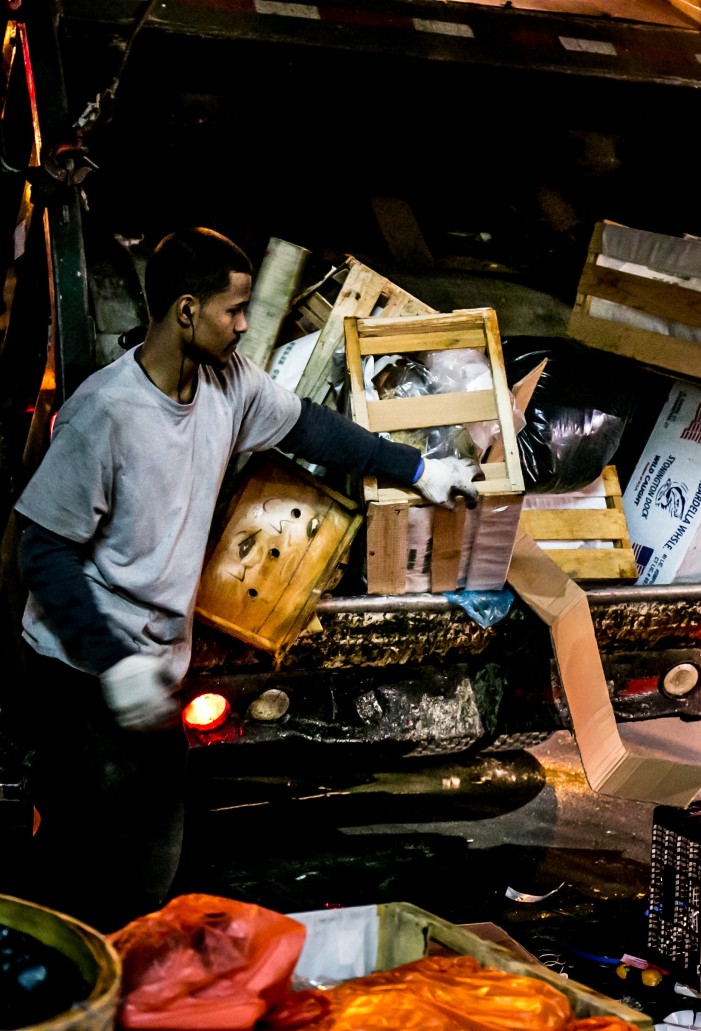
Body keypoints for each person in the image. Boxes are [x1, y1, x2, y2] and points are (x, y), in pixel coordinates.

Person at [13, 226, 480, 932]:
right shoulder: (107, 413)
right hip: (79, 670)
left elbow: (311, 428)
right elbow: (42, 549)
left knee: (149, 865)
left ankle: (105, 982)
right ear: (184, 311)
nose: (242, 324)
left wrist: (418, 470)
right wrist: (111, 664)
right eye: (232, 310)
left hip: (151, 664)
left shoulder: (228, 383)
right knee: (85, 866)